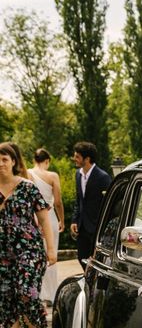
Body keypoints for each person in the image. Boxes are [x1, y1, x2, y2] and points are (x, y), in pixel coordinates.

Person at [0, 142, 57, 328]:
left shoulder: (27, 187)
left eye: (4, 159)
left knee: (26, 292)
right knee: (6, 300)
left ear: (13, 161)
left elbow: (44, 219)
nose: (1, 163)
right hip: (2, 254)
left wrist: (51, 249)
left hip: (29, 251)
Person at [29, 148, 64, 306]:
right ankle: (50, 295)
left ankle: (35, 294)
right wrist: (62, 220)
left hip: (32, 218)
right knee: (51, 255)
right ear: (47, 161)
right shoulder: (52, 176)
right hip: (49, 217)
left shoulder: (27, 174)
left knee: (34, 256)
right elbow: (57, 202)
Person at [70, 141, 111, 269]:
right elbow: (79, 200)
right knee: (81, 258)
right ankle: (88, 283)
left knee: (96, 263)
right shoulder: (78, 174)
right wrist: (74, 220)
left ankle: (92, 287)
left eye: (77, 156)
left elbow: (109, 204)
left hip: (96, 227)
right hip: (82, 227)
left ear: (87, 159)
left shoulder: (103, 177)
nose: (74, 159)